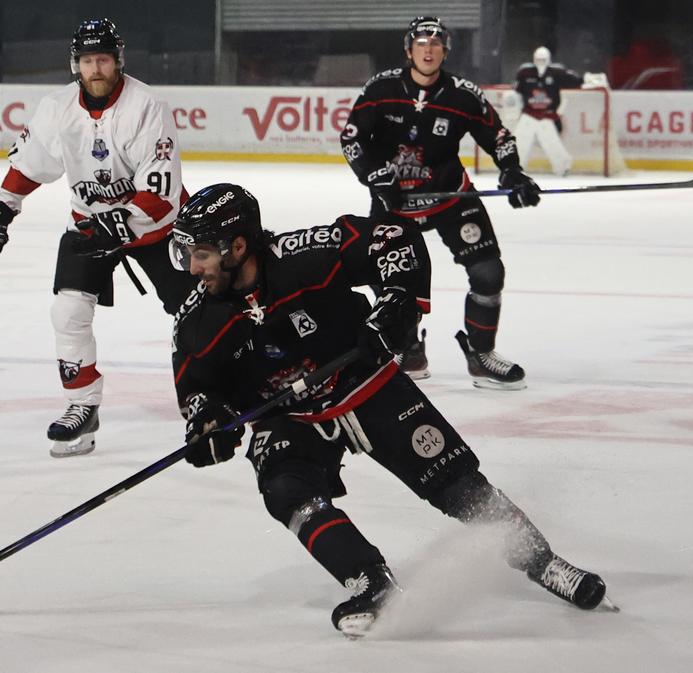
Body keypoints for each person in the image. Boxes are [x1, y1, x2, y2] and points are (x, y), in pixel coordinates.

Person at [169, 183, 610, 638]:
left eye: (201, 254)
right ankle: (371, 583)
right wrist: (208, 422)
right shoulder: (197, 318)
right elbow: (196, 385)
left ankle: (543, 561)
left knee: (456, 485)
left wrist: (397, 300)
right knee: (286, 490)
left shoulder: (304, 255)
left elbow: (394, 239)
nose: (192, 268)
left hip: (365, 384)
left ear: (239, 246)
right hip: (293, 418)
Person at [0, 18, 195, 457]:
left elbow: (162, 192)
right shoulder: (56, 108)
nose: (96, 69)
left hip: (158, 229)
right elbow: (31, 163)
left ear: (118, 61)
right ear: (76, 64)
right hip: (90, 225)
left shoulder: (147, 106)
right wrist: (2, 208)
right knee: (68, 311)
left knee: (196, 311)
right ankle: (82, 405)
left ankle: (212, 392)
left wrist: (123, 222)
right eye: (88, 60)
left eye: (104, 60)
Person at [339, 16, 542, 390]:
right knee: (387, 280)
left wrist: (512, 171)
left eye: (435, 44)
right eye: (421, 43)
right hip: (395, 203)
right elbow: (352, 139)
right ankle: (408, 349)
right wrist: (375, 176)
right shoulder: (381, 89)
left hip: (451, 197)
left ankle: (481, 354)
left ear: (445, 51)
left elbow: (498, 136)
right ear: (409, 50)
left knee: (488, 273)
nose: (428, 50)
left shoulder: (463, 94)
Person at [513, 46, 584, 177]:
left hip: (547, 115)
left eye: (543, 60)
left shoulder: (557, 72)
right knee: (519, 141)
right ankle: (515, 167)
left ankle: (563, 166)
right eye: (538, 60)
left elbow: (576, 81)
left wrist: (588, 80)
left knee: (551, 143)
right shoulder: (525, 73)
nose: (540, 62)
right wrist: (515, 110)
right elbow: (516, 93)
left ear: (549, 60)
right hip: (528, 114)